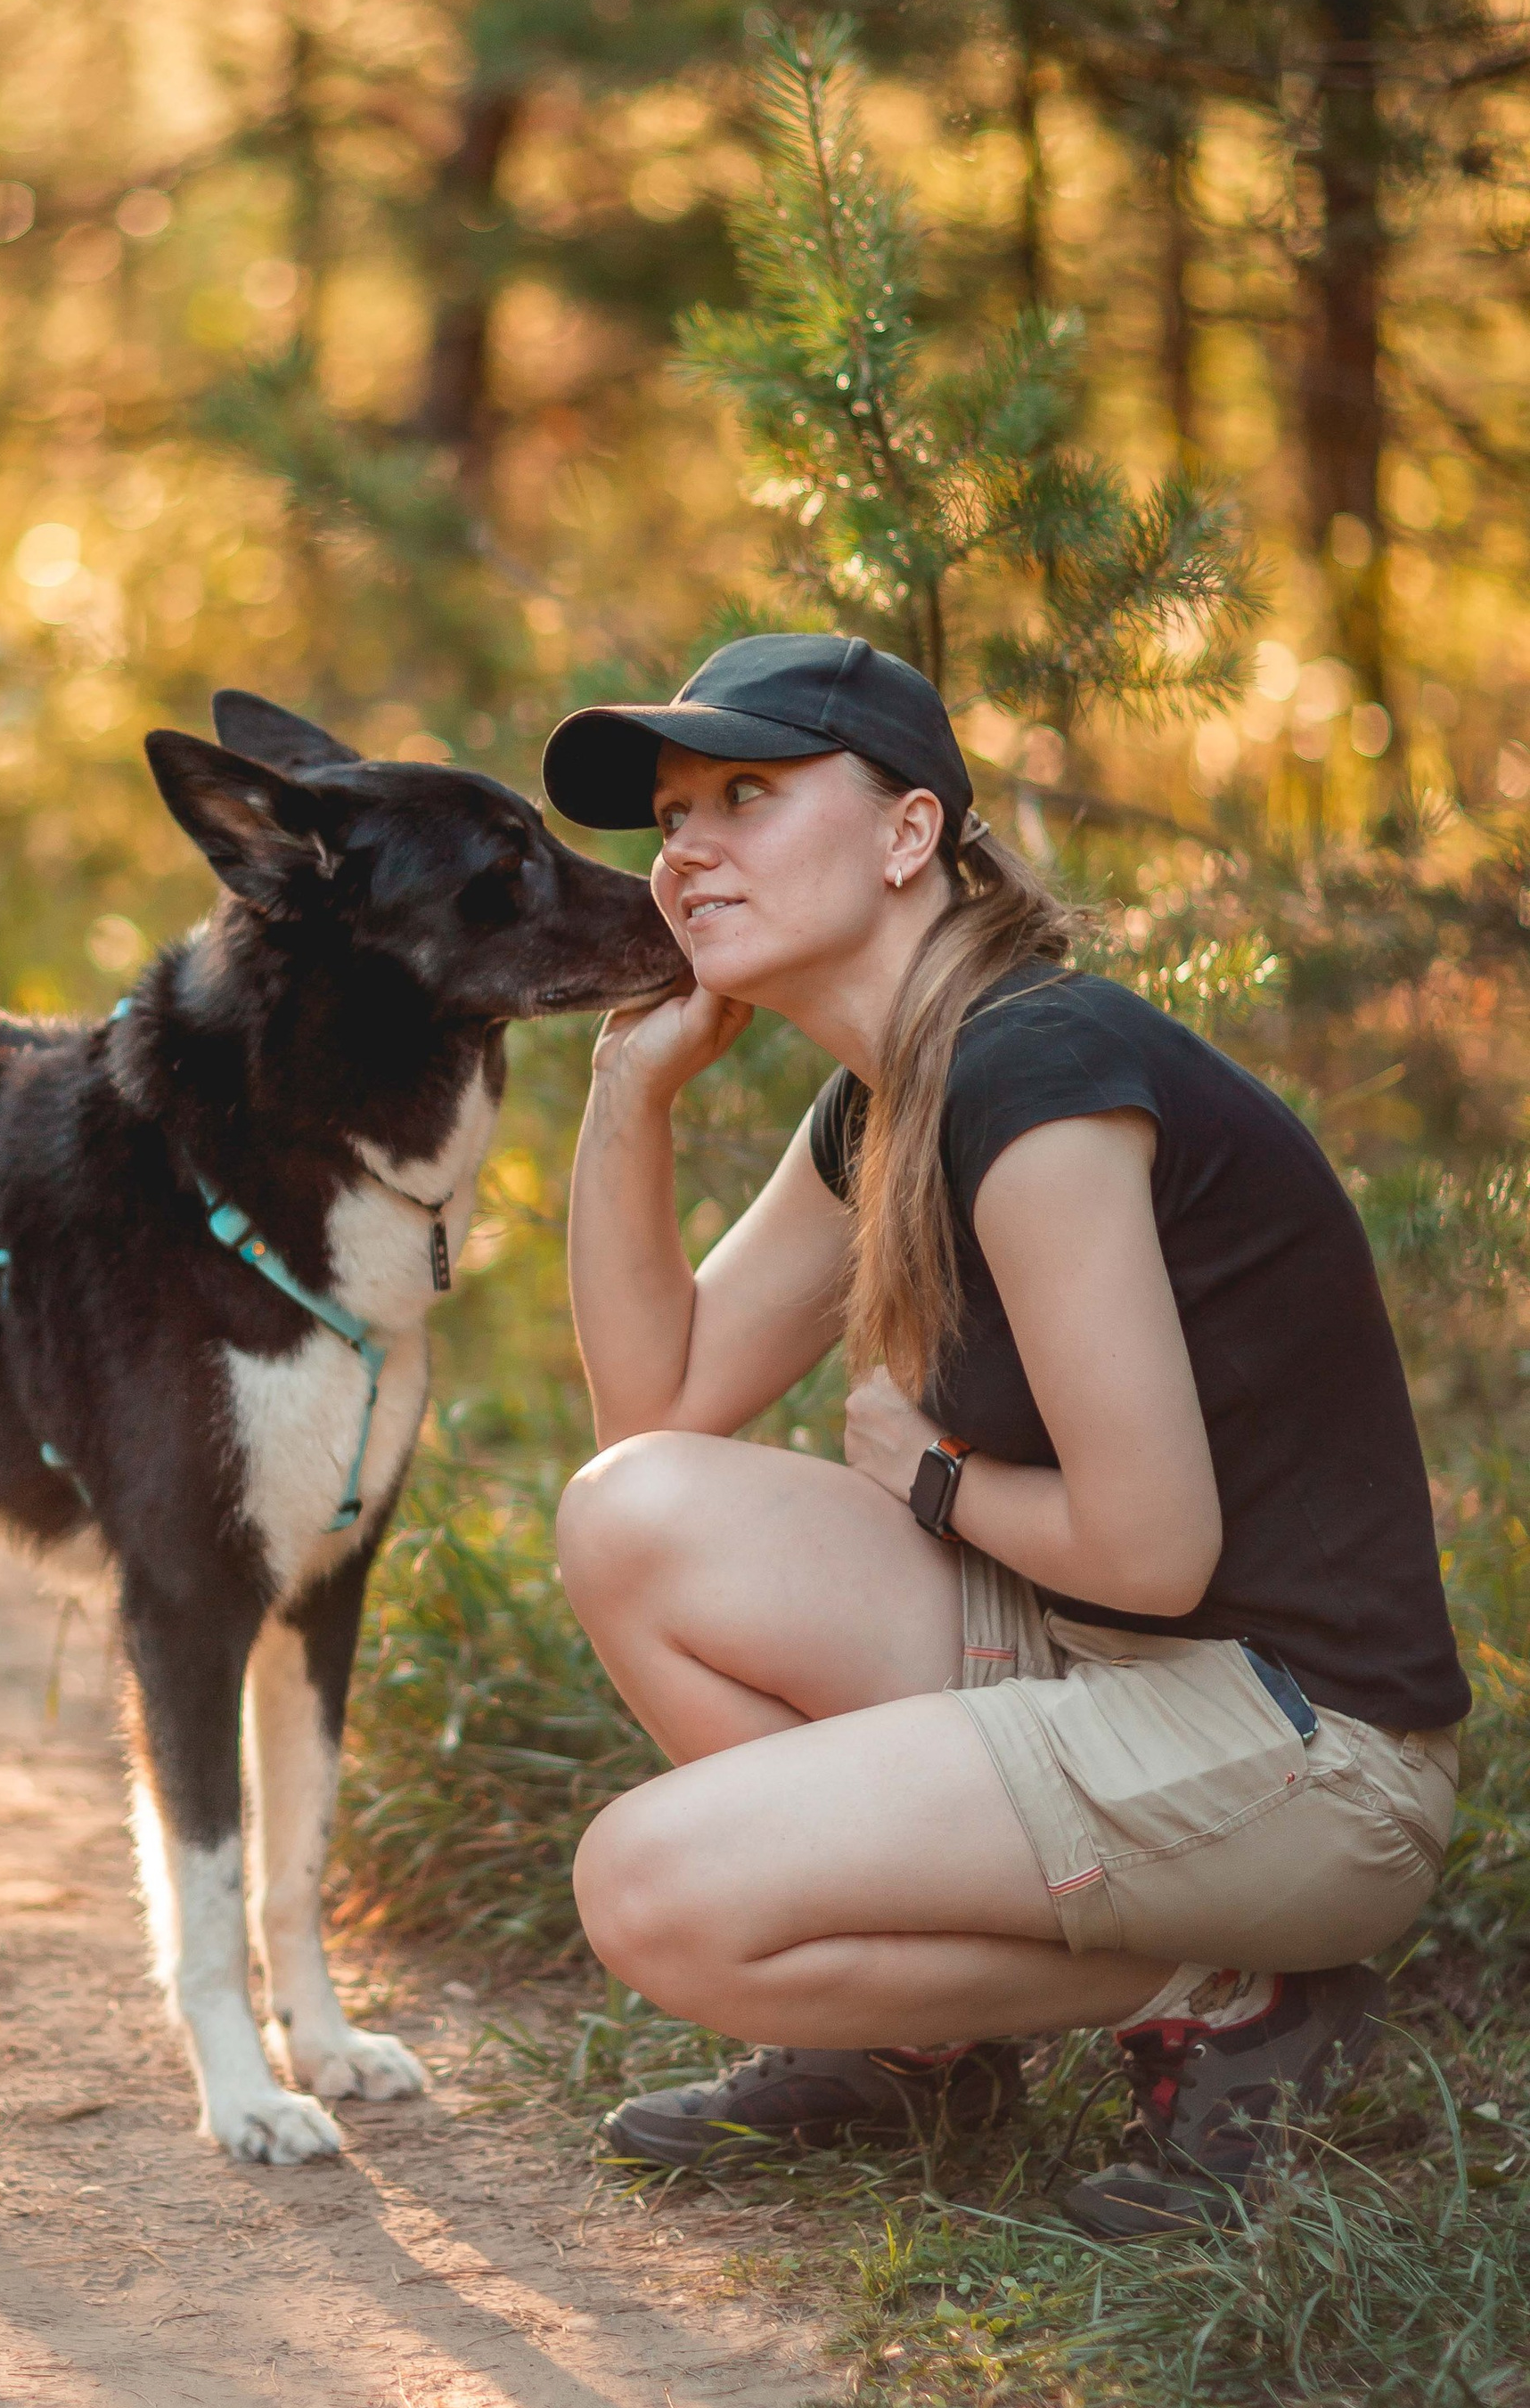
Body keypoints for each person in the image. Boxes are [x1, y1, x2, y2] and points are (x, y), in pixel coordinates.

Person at [540, 633, 1469, 2236]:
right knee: (630, 1514)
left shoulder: (1038, 1075)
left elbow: (1153, 1551)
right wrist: (633, 1089)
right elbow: (656, 1414)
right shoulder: (895, 1094)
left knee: (651, 1893)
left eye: (747, 795)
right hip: (1110, 1669)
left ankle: (1237, 1994)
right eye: (674, 816)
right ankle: (916, 2041)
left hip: (1308, 1756)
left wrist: (934, 1477)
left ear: (909, 834)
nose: (685, 850)